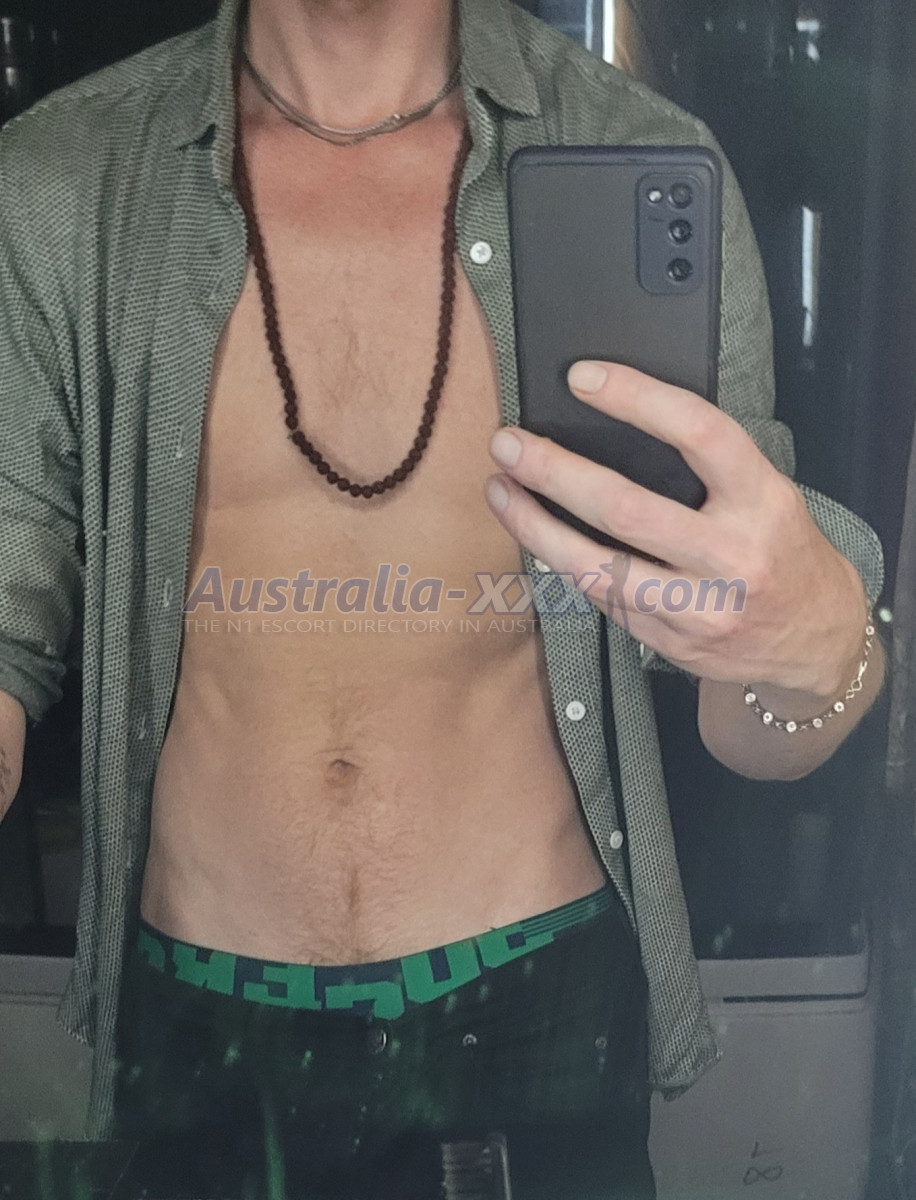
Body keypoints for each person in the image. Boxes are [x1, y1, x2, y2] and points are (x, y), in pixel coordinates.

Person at [0, 0, 885, 1195]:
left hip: (534, 1007)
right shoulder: (60, 180)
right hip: (203, 1019)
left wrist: (819, 650)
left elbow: (748, 700)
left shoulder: (629, 155)